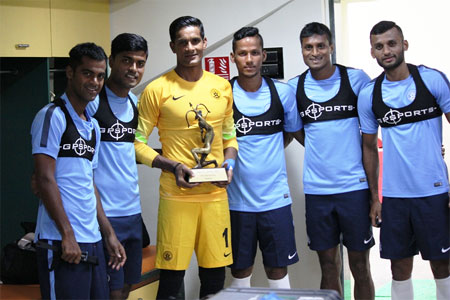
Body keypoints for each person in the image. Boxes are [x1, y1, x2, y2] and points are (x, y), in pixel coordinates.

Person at [134, 16, 238, 299]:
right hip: (176, 198)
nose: (190, 47)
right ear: (173, 46)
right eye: (183, 42)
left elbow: (229, 137)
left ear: (204, 43)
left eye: (195, 41)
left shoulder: (223, 87)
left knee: (215, 280)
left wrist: (229, 165)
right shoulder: (157, 90)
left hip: (215, 198)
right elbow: (136, 144)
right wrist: (172, 165)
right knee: (170, 284)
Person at [358, 20, 450, 300]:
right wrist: (375, 197)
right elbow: (369, 149)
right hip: (395, 198)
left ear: (404, 45)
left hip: (433, 192)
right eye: (379, 46)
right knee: (399, 267)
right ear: (372, 52)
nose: (386, 50)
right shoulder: (369, 95)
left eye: (391, 43)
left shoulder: (432, 80)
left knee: (442, 265)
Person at [287, 22, 376, 299]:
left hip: (354, 190)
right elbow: (298, 132)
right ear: (302, 50)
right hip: (318, 192)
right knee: (328, 267)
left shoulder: (356, 79)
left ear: (331, 47)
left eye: (320, 46)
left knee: (360, 267)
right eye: (308, 47)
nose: (315, 52)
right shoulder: (294, 87)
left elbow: (374, 127)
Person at [31, 42, 126, 299]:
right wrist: (67, 234)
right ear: (70, 72)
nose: (94, 81)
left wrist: (108, 233)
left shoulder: (93, 126)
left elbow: (88, 184)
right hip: (61, 241)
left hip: (91, 240)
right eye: (87, 73)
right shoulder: (52, 116)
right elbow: (44, 178)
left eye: (100, 75)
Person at [227, 27, 301, 289]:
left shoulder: (282, 93)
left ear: (263, 55)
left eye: (255, 53)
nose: (249, 59)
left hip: (275, 200)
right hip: (236, 203)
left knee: (278, 270)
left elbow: (291, 133)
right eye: (243, 53)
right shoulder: (223, 95)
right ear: (233, 57)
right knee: (240, 271)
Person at [85, 33, 148, 299]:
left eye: (140, 63)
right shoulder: (92, 103)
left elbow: (128, 151)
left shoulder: (136, 102)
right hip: (103, 214)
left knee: (125, 288)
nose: (134, 69)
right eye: (127, 61)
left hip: (132, 212)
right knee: (108, 291)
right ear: (111, 60)